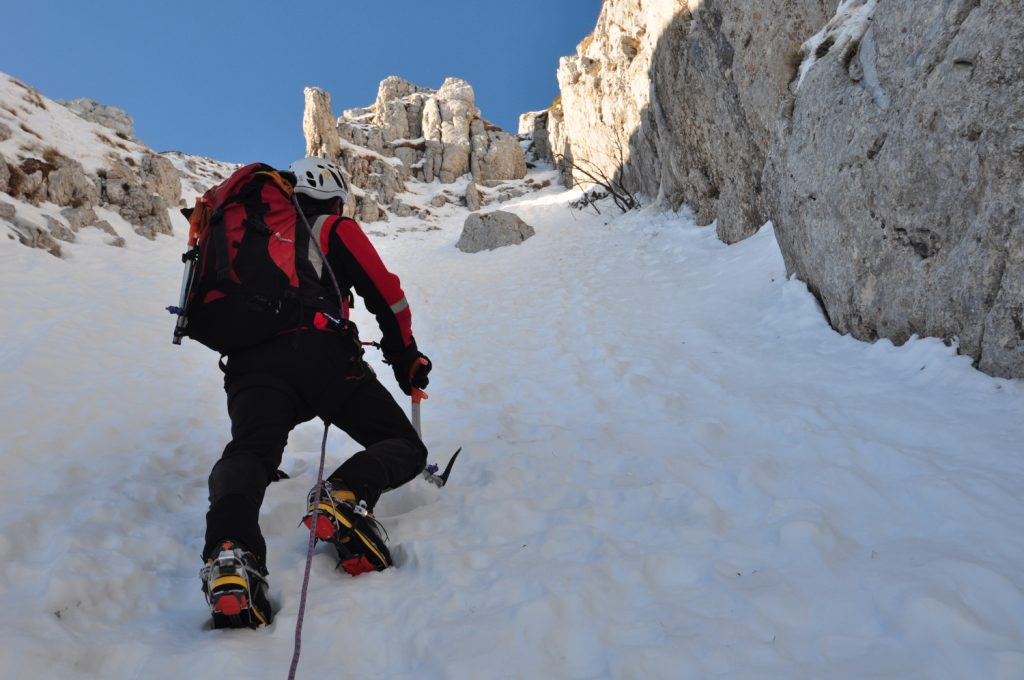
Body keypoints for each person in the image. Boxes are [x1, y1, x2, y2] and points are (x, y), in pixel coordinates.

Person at [199, 157, 432, 629]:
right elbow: (387, 295)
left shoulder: (240, 234)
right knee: (404, 445)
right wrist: (406, 358)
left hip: (248, 367)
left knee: (250, 453)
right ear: (331, 193)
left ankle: (231, 553)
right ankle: (344, 494)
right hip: (321, 355)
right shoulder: (331, 227)